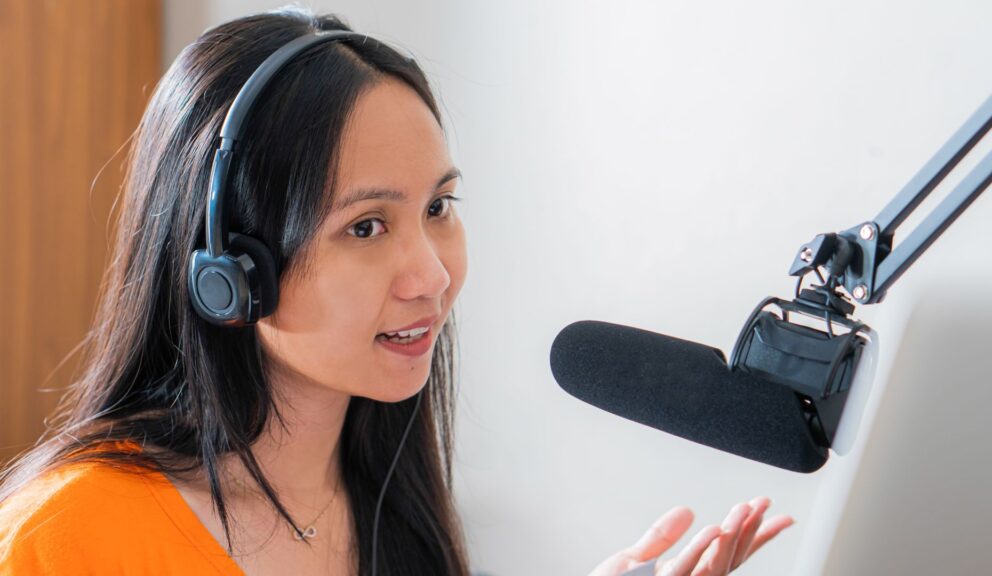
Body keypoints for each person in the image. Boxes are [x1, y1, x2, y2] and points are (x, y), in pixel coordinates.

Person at [0, 7, 792, 576]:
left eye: (439, 209)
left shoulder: (385, 503)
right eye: (367, 227)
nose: (433, 276)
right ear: (229, 273)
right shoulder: (67, 537)